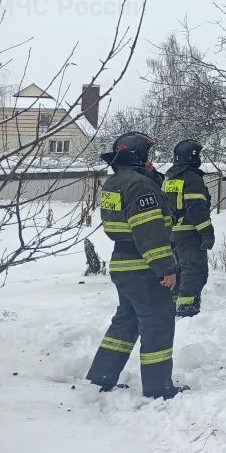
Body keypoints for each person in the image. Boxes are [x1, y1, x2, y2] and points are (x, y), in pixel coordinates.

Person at [86, 131, 187, 399]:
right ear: (140, 155)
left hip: (123, 264)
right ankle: (159, 388)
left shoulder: (115, 183)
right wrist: (166, 269)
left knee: (126, 322)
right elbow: (149, 231)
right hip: (145, 267)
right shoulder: (140, 186)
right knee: (158, 324)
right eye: (147, 154)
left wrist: (150, 176)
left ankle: (101, 377)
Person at [162, 139, 215, 317]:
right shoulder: (192, 179)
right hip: (190, 235)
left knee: (178, 271)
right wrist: (207, 234)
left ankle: (174, 305)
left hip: (173, 235)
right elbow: (197, 210)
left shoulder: (171, 180)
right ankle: (187, 309)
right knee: (194, 271)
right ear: (192, 157)